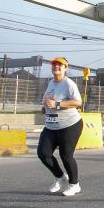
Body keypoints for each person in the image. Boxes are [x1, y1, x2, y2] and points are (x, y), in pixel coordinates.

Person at [39, 57, 84, 196]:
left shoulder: (69, 83)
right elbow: (49, 100)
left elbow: (78, 102)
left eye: (60, 65)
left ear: (65, 68)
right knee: (43, 154)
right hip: (51, 125)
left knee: (66, 155)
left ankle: (74, 184)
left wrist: (56, 105)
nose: (56, 67)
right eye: (54, 65)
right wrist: (44, 107)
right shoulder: (51, 82)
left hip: (69, 125)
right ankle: (59, 177)